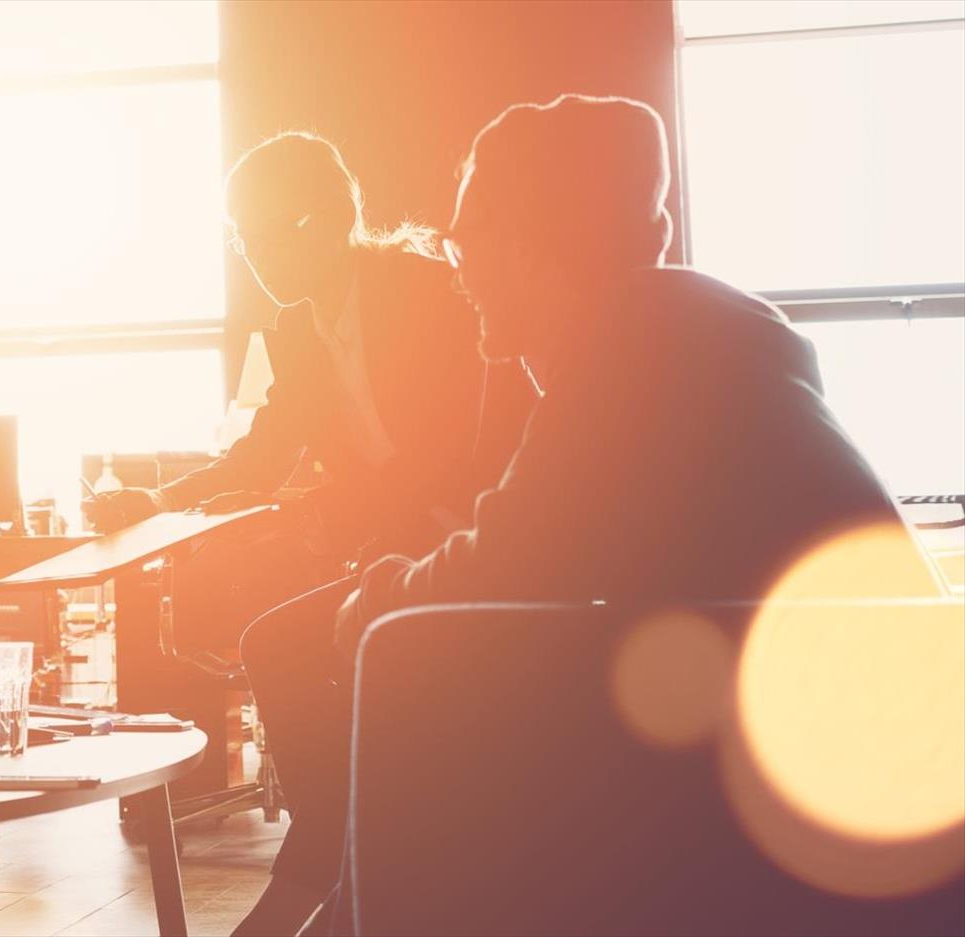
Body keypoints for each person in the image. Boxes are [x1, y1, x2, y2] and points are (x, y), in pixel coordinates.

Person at [239, 94, 941, 935]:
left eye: (463, 235)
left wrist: (374, 597)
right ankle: (343, 902)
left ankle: (344, 905)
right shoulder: (692, 327)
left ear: (529, 243)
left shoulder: (639, 350)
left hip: (828, 794)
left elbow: (500, 564)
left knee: (410, 653)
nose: (453, 264)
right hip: (833, 753)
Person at [84, 131, 534, 936]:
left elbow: (453, 452)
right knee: (279, 641)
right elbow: (261, 454)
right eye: (240, 235)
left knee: (307, 645)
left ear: (331, 218)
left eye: (270, 229)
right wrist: (155, 501)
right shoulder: (298, 330)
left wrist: (331, 515)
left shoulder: (425, 293)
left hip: (497, 541)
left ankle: (331, 853)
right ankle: (334, 845)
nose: (254, 254)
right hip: (406, 553)